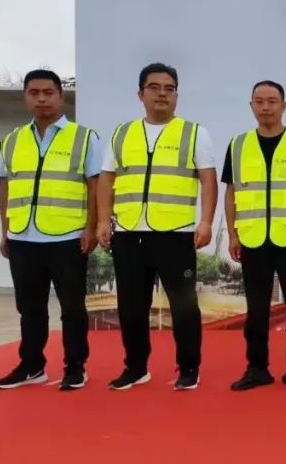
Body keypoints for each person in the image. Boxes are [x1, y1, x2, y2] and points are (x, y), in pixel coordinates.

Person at [96, 62, 218, 391]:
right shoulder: (122, 133)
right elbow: (106, 179)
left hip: (176, 234)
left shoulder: (194, 133)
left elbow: (208, 180)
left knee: (184, 306)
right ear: (141, 94)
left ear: (177, 95)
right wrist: (103, 220)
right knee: (131, 307)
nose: (162, 94)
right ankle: (136, 367)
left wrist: (206, 221)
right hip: (129, 232)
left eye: (169, 88)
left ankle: (189, 368)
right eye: (154, 87)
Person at [0, 69, 101, 391]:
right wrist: (6, 230)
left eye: (48, 92)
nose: (41, 99)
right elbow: (5, 186)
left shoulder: (84, 137)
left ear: (60, 96)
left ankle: (75, 367)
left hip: (67, 237)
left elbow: (95, 185)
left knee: (72, 308)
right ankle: (32, 366)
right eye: (34, 93)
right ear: (26, 97)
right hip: (23, 237)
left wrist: (91, 227)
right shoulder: (13, 139)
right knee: (29, 308)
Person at [223, 81, 286, 391]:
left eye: (272, 101)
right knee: (256, 309)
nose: (266, 107)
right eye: (260, 101)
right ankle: (257, 368)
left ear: (284, 106)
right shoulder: (238, 145)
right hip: (252, 239)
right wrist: (233, 234)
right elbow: (231, 192)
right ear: (251, 105)